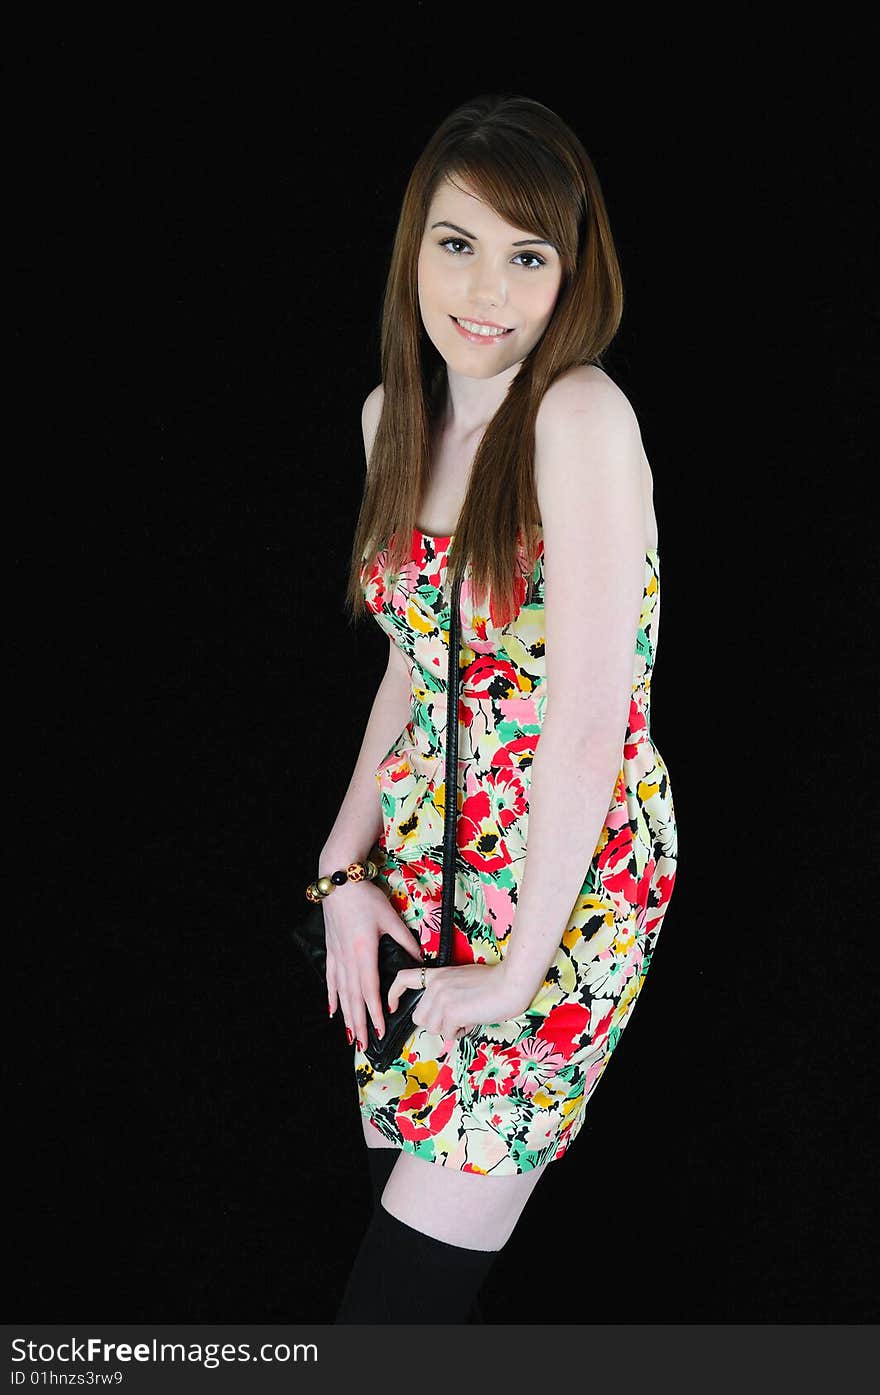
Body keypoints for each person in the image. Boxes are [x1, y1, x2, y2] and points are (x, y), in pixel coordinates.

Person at [310, 93, 679, 1324]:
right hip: (423, 872)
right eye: (457, 243)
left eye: (528, 256)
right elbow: (419, 665)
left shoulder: (577, 416)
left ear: (570, 275)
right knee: (404, 1254)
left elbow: (588, 719)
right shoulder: (391, 421)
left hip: (562, 895)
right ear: (413, 245)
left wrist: (523, 966)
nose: (487, 288)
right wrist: (339, 868)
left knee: (395, 1308)